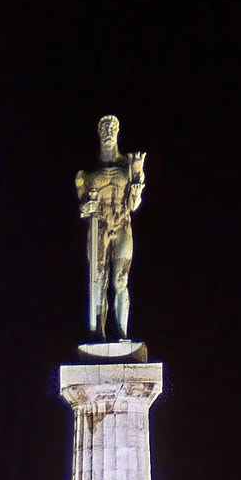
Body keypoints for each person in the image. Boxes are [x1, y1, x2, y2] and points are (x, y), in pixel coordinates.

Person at [75, 115, 146, 339]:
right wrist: (88, 206)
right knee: (99, 280)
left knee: (120, 280)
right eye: (104, 128)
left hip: (122, 223)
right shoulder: (86, 175)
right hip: (99, 227)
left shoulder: (129, 165)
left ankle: (123, 332)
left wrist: (136, 178)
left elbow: (134, 205)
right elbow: (83, 210)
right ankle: (100, 334)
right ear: (99, 133)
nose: (108, 132)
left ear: (117, 132)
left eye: (112, 128)